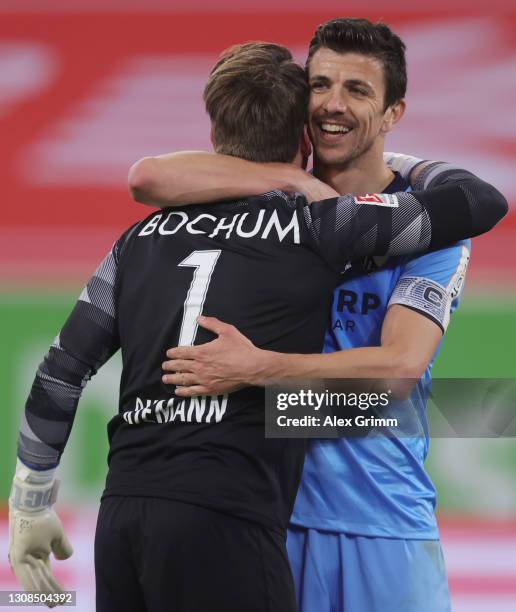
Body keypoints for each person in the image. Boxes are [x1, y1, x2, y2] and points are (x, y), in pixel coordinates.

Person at [129, 20, 508, 612]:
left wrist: (261, 375)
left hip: (382, 522)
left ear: (392, 113)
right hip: (266, 521)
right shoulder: (269, 208)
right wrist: (284, 177)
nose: (333, 104)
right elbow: (149, 177)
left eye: (358, 90)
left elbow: (398, 372)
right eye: (321, 84)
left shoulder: (426, 227)